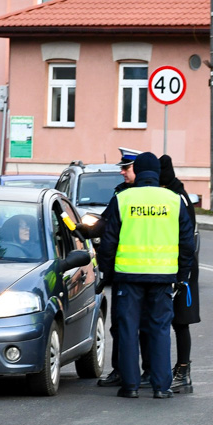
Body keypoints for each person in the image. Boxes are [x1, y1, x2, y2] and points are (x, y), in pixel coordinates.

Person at [97, 152, 195, 399]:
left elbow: (108, 241)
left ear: (138, 172)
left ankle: (130, 386)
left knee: (128, 329)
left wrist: (107, 273)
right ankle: (161, 387)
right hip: (163, 277)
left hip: (128, 277)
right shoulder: (174, 200)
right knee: (160, 329)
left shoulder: (123, 198)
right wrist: (182, 276)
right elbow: (187, 242)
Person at [77, 148, 140, 388]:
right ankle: (124, 371)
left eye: (127, 168)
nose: (122, 172)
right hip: (132, 271)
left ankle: (133, 375)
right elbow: (105, 223)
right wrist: (86, 231)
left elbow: (108, 229)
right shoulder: (122, 193)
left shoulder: (133, 196)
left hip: (129, 271)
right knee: (122, 325)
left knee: (133, 326)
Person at [158, 154, 200, 393]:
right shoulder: (174, 193)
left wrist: (182, 275)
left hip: (182, 267)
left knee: (180, 321)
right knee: (171, 321)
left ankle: (183, 371)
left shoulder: (177, 197)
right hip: (173, 265)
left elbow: (185, 236)